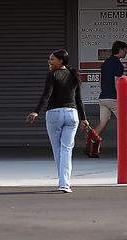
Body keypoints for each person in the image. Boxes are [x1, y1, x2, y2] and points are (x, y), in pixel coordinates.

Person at [28, 49, 89, 193]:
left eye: (52, 59)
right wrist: (84, 118)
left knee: (57, 149)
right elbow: (79, 99)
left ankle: (63, 182)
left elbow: (46, 95)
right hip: (72, 114)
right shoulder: (74, 75)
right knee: (67, 149)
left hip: (54, 114)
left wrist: (36, 111)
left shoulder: (52, 75)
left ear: (61, 61)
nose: (49, 62)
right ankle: (65, 183)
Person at [93, 41, 127, 148]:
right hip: (113, 98)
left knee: (103, 122)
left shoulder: (105, 63)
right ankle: (124, 148)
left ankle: (91, 140)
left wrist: (104, 91)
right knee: (125, 122)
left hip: (103, 98)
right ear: (120, 50)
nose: (126, 52)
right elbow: (117, 81)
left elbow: (100, 81)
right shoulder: (118, 64)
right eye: (125, 50)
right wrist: (121, 98)